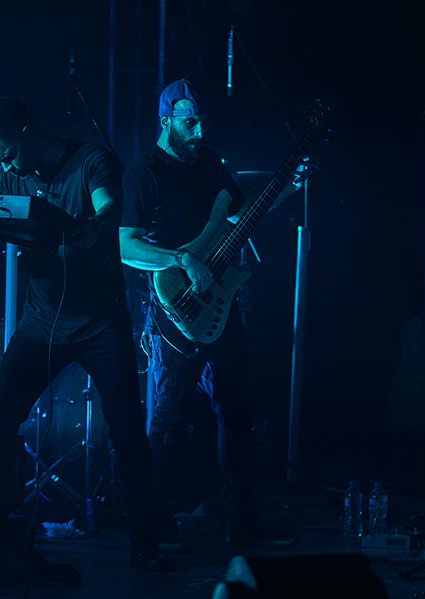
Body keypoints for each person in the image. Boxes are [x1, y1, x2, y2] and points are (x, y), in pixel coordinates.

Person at [0, 97, 168, 571]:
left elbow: (109, 211)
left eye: (7, 154)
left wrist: (79, 231)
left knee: (126, 430)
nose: (4, 167)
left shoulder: (91, 161)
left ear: (26, 131)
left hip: (101, 324)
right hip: (41, 324)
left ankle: (148, 541)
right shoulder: (7, 176)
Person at [119, 79, 299, 546]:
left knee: (237, 411)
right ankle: (150, 524)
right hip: (173, 306)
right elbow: (126, 246)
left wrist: (287, 187)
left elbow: (240, 216)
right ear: (166, 121)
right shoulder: (144, 174)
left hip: (219, 300)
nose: (199, 131)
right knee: (168, 414)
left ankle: (243, 520)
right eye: (189, 122)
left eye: (202, 121)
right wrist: (182, 260)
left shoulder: (210, 165)